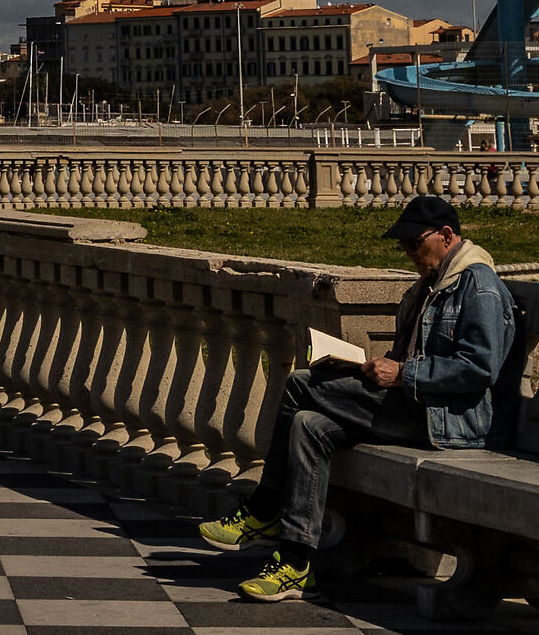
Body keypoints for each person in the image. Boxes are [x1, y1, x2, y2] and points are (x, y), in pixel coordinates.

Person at [197, 193, 515, 604]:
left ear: (446, 235)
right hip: (415, 404)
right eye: (404, 246)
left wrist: (404, 373)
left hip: (448, 421)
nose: (408, 253)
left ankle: (263, 508)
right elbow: (411, 356)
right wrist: (369, 368)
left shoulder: (478, 285)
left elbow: (479, 368)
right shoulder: (431, 284)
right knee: (306, 424)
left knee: (298, 384)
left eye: (414, 243)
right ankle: (295, 562)